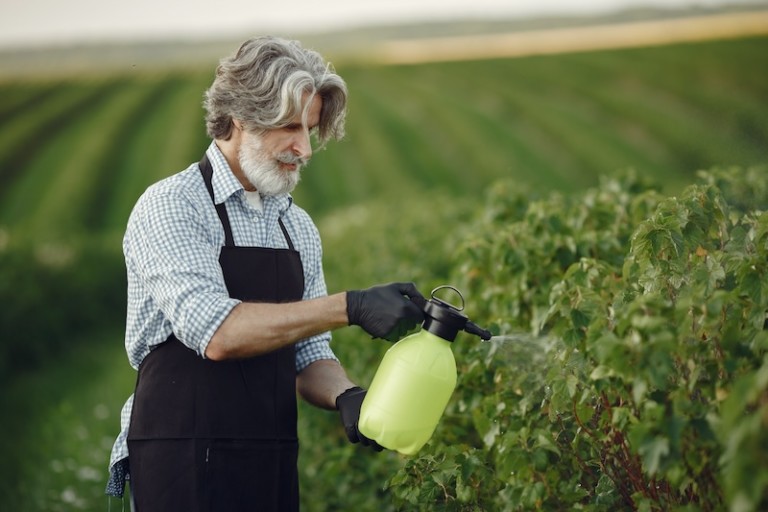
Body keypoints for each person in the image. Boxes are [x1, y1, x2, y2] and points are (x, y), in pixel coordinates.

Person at [105, 36, 425, 511]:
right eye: (290, 127)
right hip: (180, 454)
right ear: (239, 118)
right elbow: (217, 333)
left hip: (267, 452)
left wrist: (347, 396)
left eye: (310, 129)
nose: (305, 149)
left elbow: (308, 354)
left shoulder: (295, 225)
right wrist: (349, 306)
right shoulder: (174, 205)